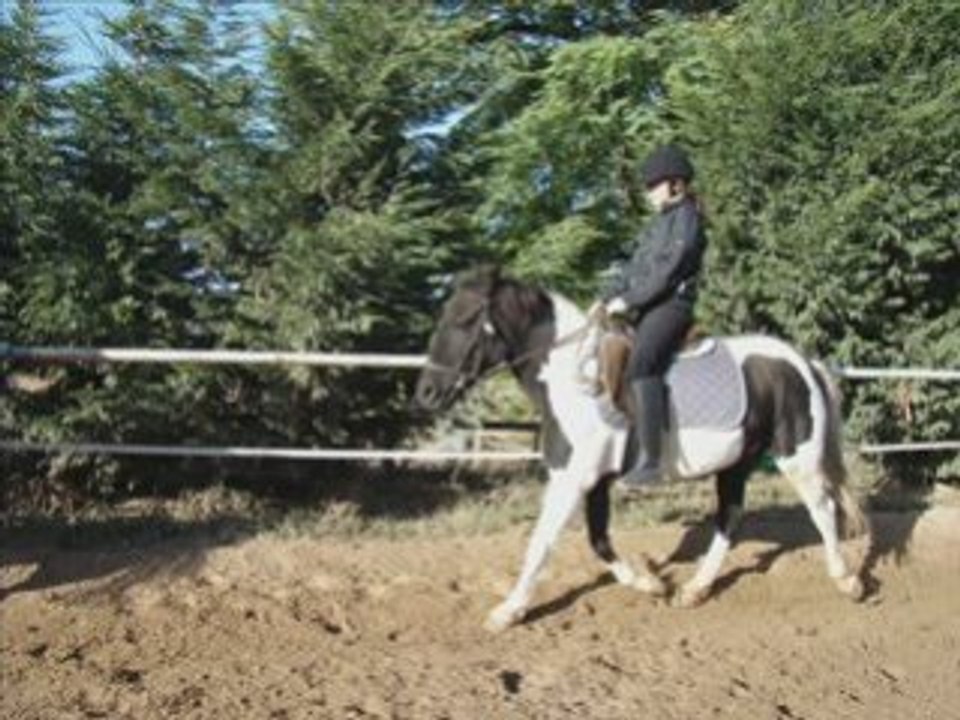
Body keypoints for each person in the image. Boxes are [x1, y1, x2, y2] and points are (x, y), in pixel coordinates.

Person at [598, 143, 707, 486]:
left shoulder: (687, 219)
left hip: (672, 306)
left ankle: (652, 461)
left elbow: (668, 272)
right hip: (648, 305)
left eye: (652, 186)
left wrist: (628, 301)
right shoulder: (657, 226)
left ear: (675, 184)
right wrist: (606, 297)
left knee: (642, 363)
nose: (647, 194)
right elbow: (635, 268)